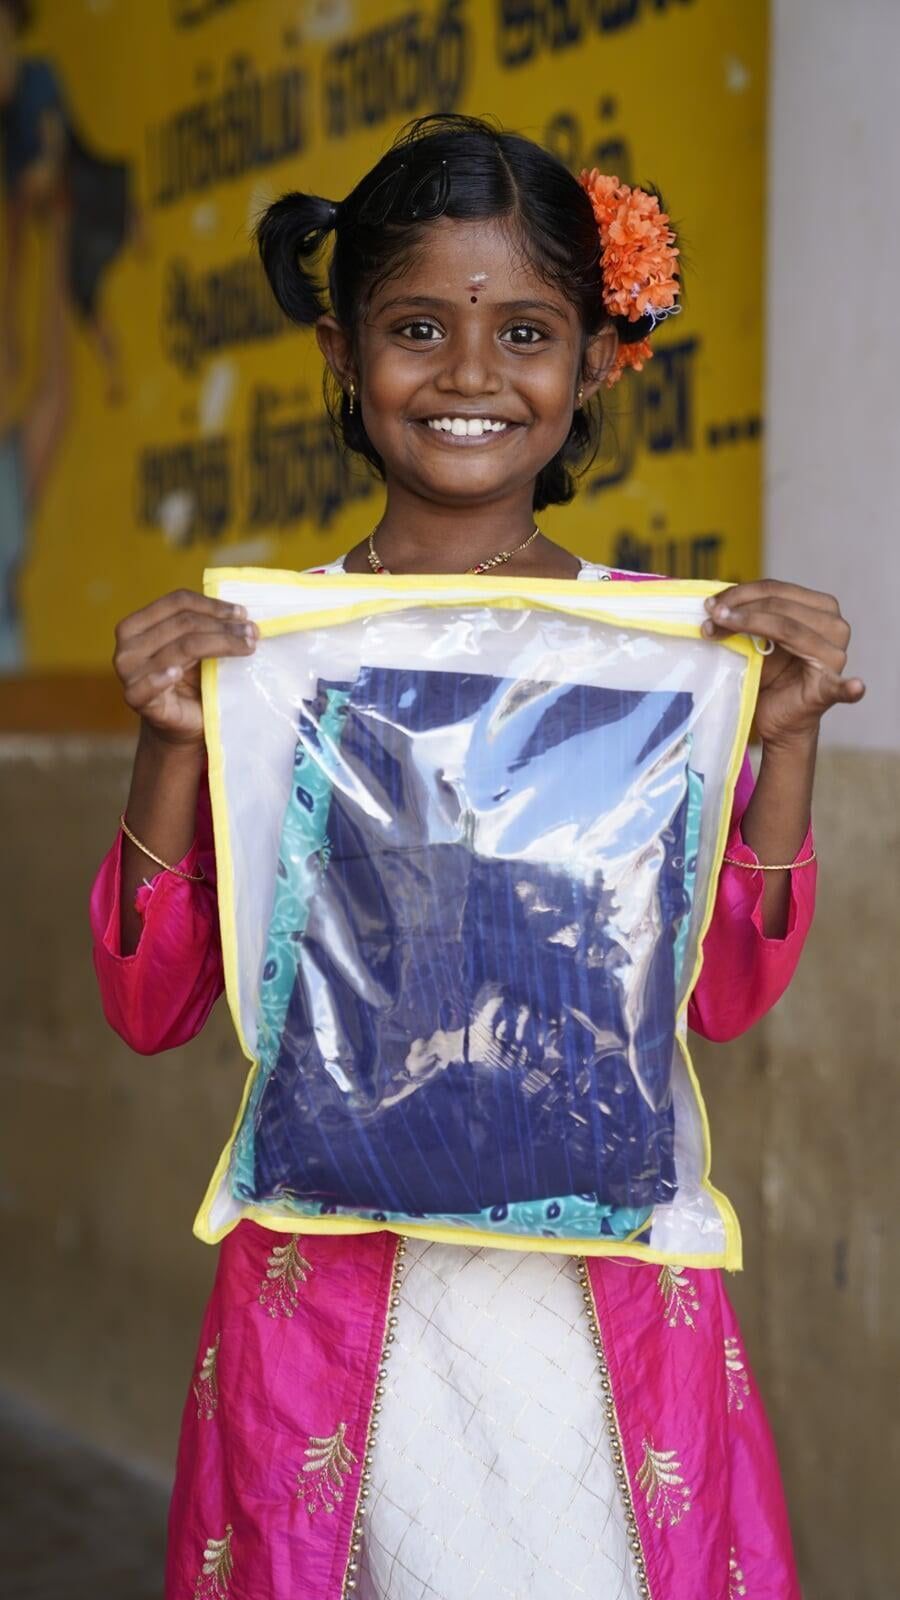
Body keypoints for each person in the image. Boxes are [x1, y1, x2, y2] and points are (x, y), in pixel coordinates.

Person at [90, 115, 863, 1600]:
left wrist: (790, 740)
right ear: (340, 349)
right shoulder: (266, 654)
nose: (466, 374)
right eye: (416, 327)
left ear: (595, 364)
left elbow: (719, 1004)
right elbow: (148, 1006)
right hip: (338, 1318)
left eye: (523, 330)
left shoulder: (663, 658)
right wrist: (172, 745)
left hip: (593, 1329)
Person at [0, 0, 138, 404]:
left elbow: (56, 144)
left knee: (81, 293)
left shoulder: (37, 79)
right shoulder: (10, 125)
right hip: (54, 214)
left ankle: (114, 372)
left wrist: (44, 171)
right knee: (80, 296)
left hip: (74, 202)